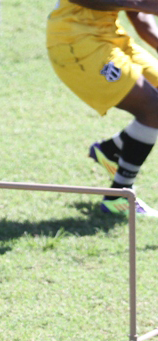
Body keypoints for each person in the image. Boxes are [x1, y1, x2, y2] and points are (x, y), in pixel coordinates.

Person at [47, 0, 158, 216]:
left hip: (111, 37)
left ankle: (111, 150)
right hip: (75, 41)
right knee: (153, 108)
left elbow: (140, 15)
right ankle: (119, 197)